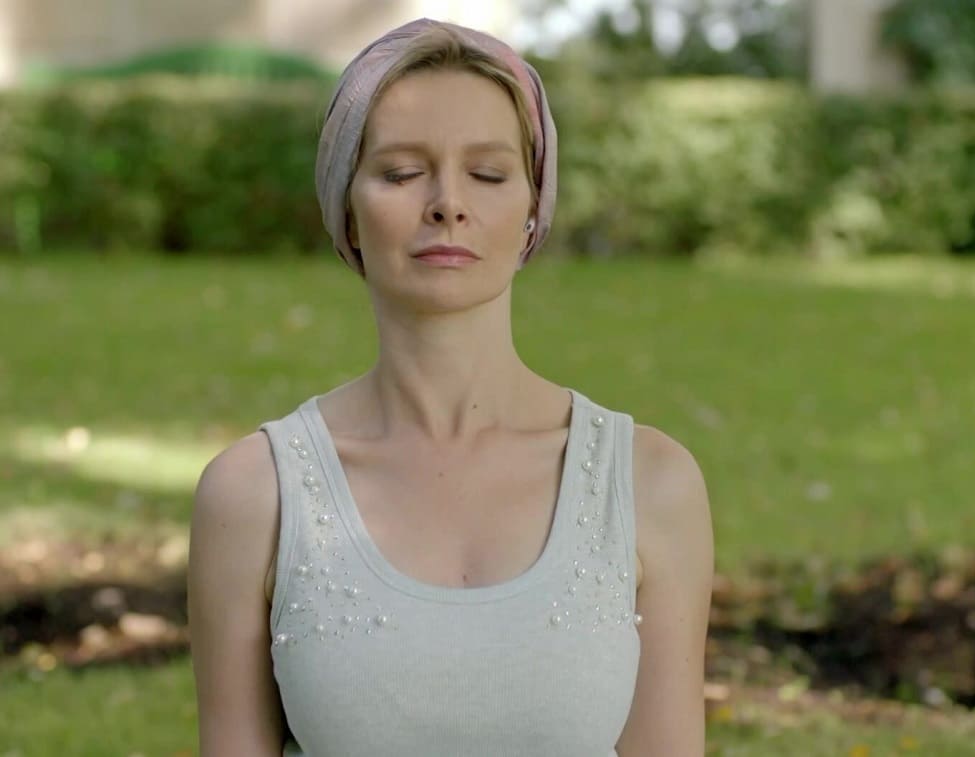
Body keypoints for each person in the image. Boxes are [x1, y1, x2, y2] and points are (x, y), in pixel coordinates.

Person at [187, 17, 713, 757]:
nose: (447, 204)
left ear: (532, 210)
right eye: (402, 172)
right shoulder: (253, 496)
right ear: (348, 211)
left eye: (488, 174)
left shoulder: (649, 484)